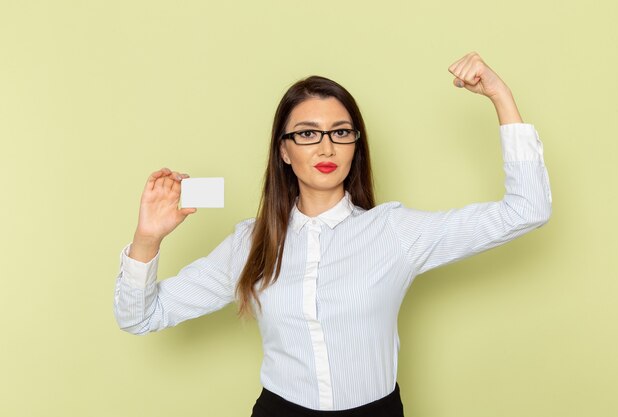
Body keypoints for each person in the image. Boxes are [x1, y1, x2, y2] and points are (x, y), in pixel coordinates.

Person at [114, 52, 552, 416]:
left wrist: (500, 95)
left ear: (355, 145)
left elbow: (527, 209)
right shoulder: (252, 244)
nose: (326, 147)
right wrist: (147, 239)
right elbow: (140, 316)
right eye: (307, 134)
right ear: (284, 151)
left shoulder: (394, 232)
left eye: (340, 132)